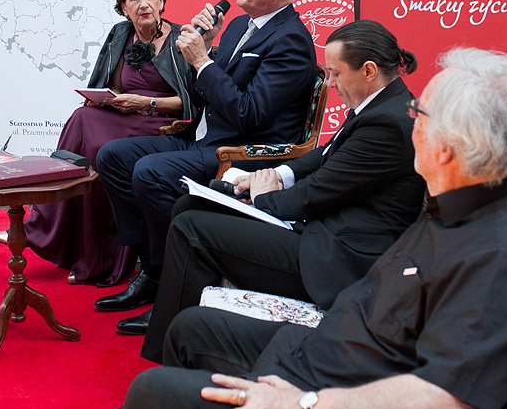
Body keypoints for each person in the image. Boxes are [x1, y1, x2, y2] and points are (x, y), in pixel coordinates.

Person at [123, 48, 507, 409]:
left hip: (333, 385)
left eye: (419, 113)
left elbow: (445, 395)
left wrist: (305, 402)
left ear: (449, 149)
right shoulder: (463, 200)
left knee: (153, 391)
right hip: (330, 345)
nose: (408, 120)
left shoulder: (504, 254)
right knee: (191, 327)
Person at [134, 19, 427, 346]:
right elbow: (326, 155)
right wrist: (278, 174)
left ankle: (172, 345)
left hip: (338, 258)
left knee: (192, 229)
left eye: (335, 73)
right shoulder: (382, 103)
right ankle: (177, 325)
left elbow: (318, 193)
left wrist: (262, 198)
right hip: (322, 231)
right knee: (193, 204)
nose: (329, 83)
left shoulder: (387, 123)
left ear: (369, 70)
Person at [94, 0, 318, 326]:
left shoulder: (291, 40)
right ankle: (151, 270)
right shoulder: (235, 27)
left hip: (245, 151)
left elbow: (249, 114)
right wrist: (205, 47)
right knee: (112, 156)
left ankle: (177, 285)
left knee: (149, 171)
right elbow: (203, 94)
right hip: (208, 139)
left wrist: (203, 60)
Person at [12, 0, 198, 287]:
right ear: (123, 8)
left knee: (100, 151)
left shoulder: (181, 39)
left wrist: (144, 101)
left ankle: (99, 256)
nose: (144, 4)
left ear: (162, 1)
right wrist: (103, 99)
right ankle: (43, 225)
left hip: (163, 121)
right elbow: (109, 82)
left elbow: (191, 103)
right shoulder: (120, 34)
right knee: (81, 119)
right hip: (125, 113)